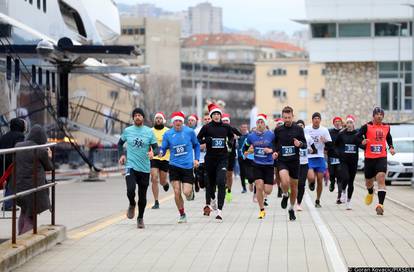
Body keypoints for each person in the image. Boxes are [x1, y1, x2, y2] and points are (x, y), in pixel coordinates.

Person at [118, 108, 158, 229]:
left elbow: (157, 148)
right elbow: (119, 143)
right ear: (133, 118)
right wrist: (122, 155)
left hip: (144, 168)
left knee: (142, 196)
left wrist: (153, 154)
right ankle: (131, 204)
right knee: (130, 190)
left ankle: (140, 218)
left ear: (143, 118)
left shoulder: (149, 132)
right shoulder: (127, 131)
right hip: (131, 165)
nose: (137, 117)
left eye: (140, 115)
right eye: (135, 115)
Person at [159, 112, 200, 223]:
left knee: (186, 192)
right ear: (173, 122)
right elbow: (163, 147)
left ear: (182, 122)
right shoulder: (168, 134)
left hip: (187, 166)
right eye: (176, 121)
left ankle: (190, 193)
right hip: (174, 166)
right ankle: (182, 214)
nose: (178, 123)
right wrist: (161, 152)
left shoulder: (189, 132)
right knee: (177, 192)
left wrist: (196, 159)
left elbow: (196, 145)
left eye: (180, 121)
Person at [197, 104, 234, 222]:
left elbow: (231, 137)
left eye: (218, 114)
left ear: (221, 116)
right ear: (211, 116)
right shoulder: (207, 127)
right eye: (214, 114)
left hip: (222, 158)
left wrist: (230, 144)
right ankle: (212, 199)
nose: (217, 116)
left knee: (221, 181)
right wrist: (205, 140)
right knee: (210, 184)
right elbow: (197, 139)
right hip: (210, 159)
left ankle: (220, 211)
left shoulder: (226, 127)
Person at [15, 125, 53, 234]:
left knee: (24, 211)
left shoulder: (18, 146)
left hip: (19, 185)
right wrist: (49, 156)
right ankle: (24, 237)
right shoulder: (40, 150)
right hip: (33, 186)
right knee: (31, 216)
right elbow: (49, 167)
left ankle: (19, 235)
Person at [358, 107, 395, 215]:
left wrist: (391, 147)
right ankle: (370, 192)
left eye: (381, 114)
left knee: (381, 177)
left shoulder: (386, 127)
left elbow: (389, 137)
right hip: (369, 158)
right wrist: (362, 143)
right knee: (368, 182)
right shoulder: (366, 126)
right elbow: (357, 137)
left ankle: (380, 205)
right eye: (377, 114)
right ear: (373, 116)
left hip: (381, 157)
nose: (379, 116)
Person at [274, 107, 307, 221]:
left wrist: (300, 144)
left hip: (294, 162)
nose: (287, 119)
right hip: (283, 161)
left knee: (294, 188)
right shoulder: (278, 130)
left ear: (293, 117)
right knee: (284, 180)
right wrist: (275, 152)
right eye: (285, 117)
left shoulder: (298, 129)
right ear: (282, 117)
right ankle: (284, 194)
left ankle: (291, 208)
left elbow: (305, 144)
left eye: (289, 117)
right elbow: (275, 144)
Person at [243, 114, 275, 219]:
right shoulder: (251, 136)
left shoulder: (271, 135)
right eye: (258, 122)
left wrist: (271, 151)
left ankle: (265, 197)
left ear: (265, 124)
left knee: (268, 190)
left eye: (262, 122)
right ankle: (261, 210)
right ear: (256, 124)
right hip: (257, 164)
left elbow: (277, 146)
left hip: (269, 165)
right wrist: (245, 152)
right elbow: (245, 146)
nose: (260, 124)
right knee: (259, 186)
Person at [305, 112, 333, 208]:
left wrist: (325, 141)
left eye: (318, 118)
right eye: (315, 118)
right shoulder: (307, 129)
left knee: (320, 180)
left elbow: (330, 144)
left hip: (320, 157)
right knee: (311, 177)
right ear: (312, 120)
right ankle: (311, 183)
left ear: (320, 120)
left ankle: (317, 200)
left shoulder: (324, 130)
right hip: (309, 157)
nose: (316, 120)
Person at [335, 115, 361, 210]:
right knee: (345, 177)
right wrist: (339, 153)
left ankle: (349, 201)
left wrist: (364, 143)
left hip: (353, 161)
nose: (349, 124)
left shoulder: (357, 134)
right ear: (346, 124)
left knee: (351, 182)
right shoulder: (341, 134)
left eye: (351, 123)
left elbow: (361, 145)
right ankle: (343, 192)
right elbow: (336, 145)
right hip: (344, 160)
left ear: (353, 124)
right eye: (348, 123)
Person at [0, 118, 26, 211]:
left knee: (8, 183)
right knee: (12, 183)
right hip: (13, 163)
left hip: (3, 162)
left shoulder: (4, 136)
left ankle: (8, 203)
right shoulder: (20, 136)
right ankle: (7, 204)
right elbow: (20, 149)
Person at [296, 120, 316, 211]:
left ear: (304, 127)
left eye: (302, 125)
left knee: (301, 184)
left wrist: (310, 150)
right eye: (298, 125)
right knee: (294, 183)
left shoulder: (308, 137)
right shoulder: (293, 138)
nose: (300, 127)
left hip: (304, 163)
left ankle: (298, 203)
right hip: (294, 163)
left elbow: (314, 150)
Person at [150, 112, 170, 209]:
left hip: (165, 158)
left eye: (160, 118)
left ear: (163, 120)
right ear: (155, 120)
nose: (158, 120)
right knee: (154, 178)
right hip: (154, 158)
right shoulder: (150, 131)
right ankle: (156, 201)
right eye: (157, 118)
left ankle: (165, 183)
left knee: (162, 181)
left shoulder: (168, 131)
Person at [221, 113, 242, 203]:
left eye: (227, 121)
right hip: (221, 155)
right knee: (222, 173)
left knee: (229, 174)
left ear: (229, 122)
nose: (225, 122)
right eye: (224, 120)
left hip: (231, 155)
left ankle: (229, 190)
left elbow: (241, 136)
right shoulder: (219, 129)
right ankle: (222, 187)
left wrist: (236, 137)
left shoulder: (232, 129)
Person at [195, 114, 211, 215]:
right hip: (200, 159)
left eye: (208, 119)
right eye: (205, 119)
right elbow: (195, 144)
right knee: (202, 183)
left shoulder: (215, 130)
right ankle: (197, 182)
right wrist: (204, 145)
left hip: (210, 160)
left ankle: (207, 204)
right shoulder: (198, 131)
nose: (207, 120)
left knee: (208, 182)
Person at [328, 117, 343, 199]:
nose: (337, 123)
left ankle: (339, 196)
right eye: (336, 121)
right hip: (331, 156)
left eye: (339, 121)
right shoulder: (330, 132)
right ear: (333, 123)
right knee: (332, 174)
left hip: (340, 158)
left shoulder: (343, 132)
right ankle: (332, 182)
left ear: (341, 123)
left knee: (339, 176)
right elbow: (327, 143)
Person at [237, 123, 249, 193]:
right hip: (240, 156)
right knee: (242, 172)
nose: (244, 128)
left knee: (248, 170)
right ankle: (244, 187)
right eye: (243, 127)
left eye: (245, 127)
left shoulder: (249, 136)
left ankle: (248, 180)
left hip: (248, 156)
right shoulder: (239, 136)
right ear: (241, 128)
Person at [274, 118, 284, 198]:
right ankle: (279, 188)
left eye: (281, 124)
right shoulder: (274, 133)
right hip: (277, 155)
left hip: (285, 156)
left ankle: (286, 187)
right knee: (277, 173)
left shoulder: (286, 132)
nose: (279, 126)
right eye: (278, 124)